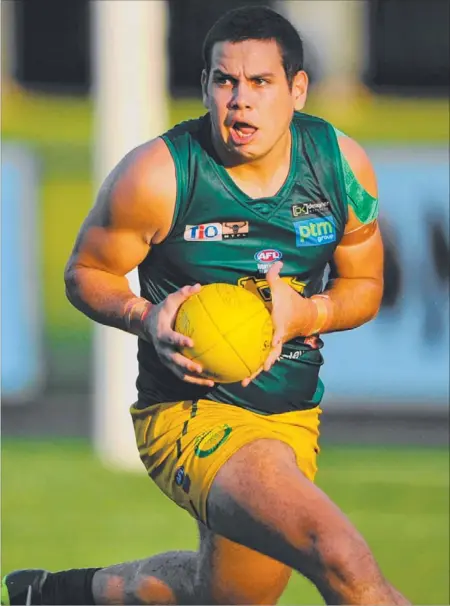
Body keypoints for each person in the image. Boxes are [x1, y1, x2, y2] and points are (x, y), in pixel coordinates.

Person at [1, 6, 410, 606]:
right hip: (189, 414)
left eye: (261, 83)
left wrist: (307, 315)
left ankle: (63, 594)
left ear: (297, 90)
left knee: (224, 598)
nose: (239, 100)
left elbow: (365, 286)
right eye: (225, 81)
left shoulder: (341, 166)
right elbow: (85, 273)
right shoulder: (159, 173)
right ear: (205, 86)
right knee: (342, 557)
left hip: (289, 418)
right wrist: (147, 317)